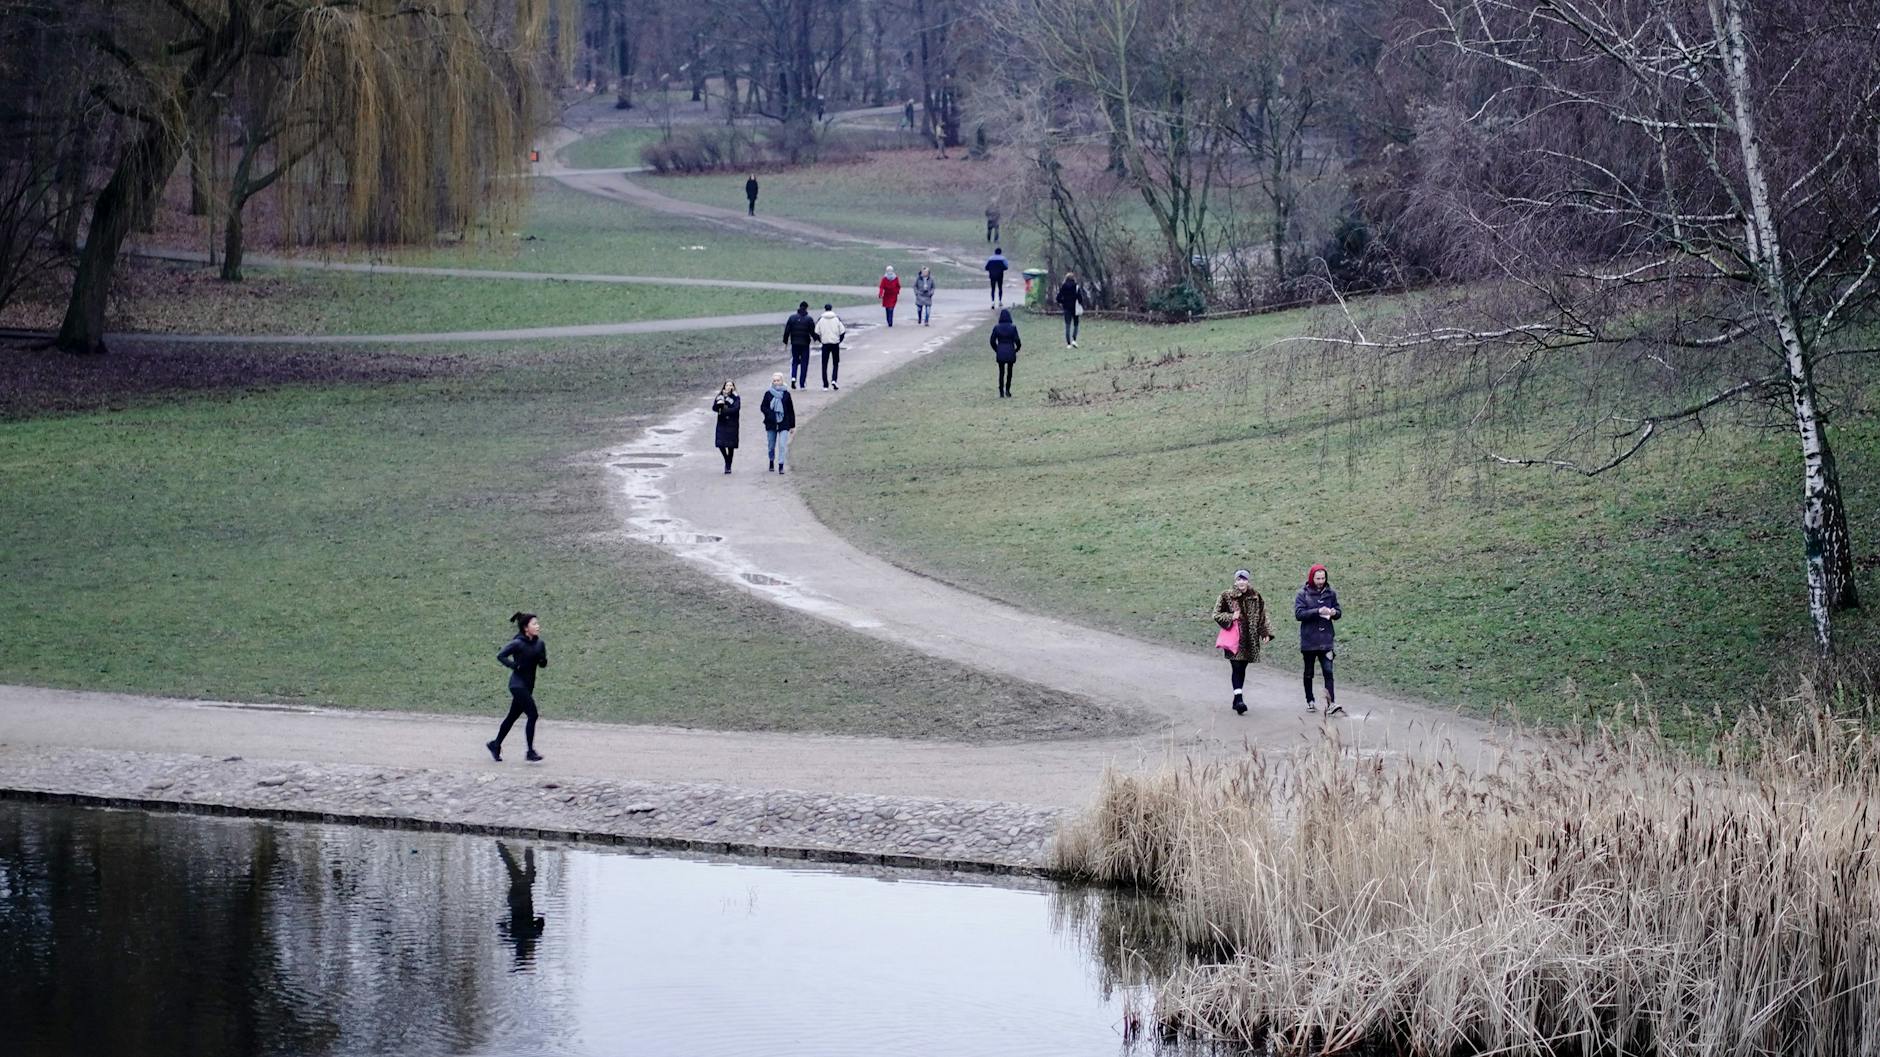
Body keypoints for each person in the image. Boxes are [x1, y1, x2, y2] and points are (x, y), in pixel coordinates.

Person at [487, 612, 547, 762]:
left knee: (512, 716)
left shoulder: (540, 644)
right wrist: (514, 666)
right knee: (533, 714)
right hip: (517, 685)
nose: (538, 626)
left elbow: (542, 664)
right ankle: (530, 752)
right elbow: (501, 656)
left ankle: (495, 744)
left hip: (528, 685)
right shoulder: (518, 643)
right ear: (526, 628)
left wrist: (542, 660)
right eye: (534, 624)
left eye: (537, 623)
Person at [1213, 570, 1275, 715]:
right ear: (1235, 581)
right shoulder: (1226, 596)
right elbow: (1216, 614)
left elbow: (1263, 615)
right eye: (1239, 579)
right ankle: (1239, 698)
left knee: (1242, 668)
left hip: (1250, 639)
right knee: (1236, 666)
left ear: (1248, 581)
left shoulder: (1256, 596)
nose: (1241, 582)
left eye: (1244, 579)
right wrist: (1230, 616)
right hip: (1234, 640)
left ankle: (1236, 699)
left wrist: (1265, 632)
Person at [1295, 564, 1343, 715]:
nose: (1321, 581)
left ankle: (1331, 703)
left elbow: (1339, 612)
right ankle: (1310, 701)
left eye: (1323, 578)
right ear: (1312, 578)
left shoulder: (1331, 593)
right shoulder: (1302, 594)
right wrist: (1317, 611)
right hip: (1309, 641)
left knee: (1328, 672)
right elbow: (1299, 614)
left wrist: (1334, 613)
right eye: (1318, 578)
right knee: (1309, 672)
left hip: (1326, 640)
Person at [497, 842, 547, 968]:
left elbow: (541, 921)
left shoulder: (532, 935)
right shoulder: (513, 938)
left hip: (524, 897)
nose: (533, 953)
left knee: (529, 875)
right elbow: (501, 925)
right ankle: (500, 845)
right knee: (512, 869)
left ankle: (528, 846)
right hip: (513, 899)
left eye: (531, 955)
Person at [759, 371, 796, 473]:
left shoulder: (786, 394)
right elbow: (763, 407)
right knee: (771, 445)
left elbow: (790, 410)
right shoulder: (768, 394)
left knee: (782, 445)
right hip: (771, 422)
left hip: (784, 422)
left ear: (782, 381)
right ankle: (771, 461)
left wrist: (792, 425)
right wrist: (770, 414)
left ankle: (781, 465)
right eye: (774, 381)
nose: (776, 382)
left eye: (778, 380)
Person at [782, 300, 816, 388]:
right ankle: (802, 383)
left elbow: (787, 331)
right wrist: (816, 339)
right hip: (805, 343)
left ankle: (793, 377)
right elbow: (812, 332)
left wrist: (785, 342)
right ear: (806, 308)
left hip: (794, 343)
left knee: (795, 361)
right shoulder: (809, 319)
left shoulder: (792, 318)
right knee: (804, 363)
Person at [990, 308, 1021, 397]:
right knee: (1009, 372)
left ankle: (1001, 392)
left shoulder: (997, 328)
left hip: (1000, 351)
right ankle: (1007, 390)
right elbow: (1017, 340)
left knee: (1001, 372)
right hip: (1010, 350)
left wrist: (997, 349)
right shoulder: (1013, 328)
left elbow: (992, 341)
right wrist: (1016, 349)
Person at [815, 303, 846, 389]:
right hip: (835, 343)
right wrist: (839, 340)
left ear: (825, 309)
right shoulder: (836, 319)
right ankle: (834, 380)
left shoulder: (821, 319)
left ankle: (825, 384)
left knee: (824, 364)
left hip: (825, 344)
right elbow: (842, 331)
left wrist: (821, 340)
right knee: (835, 363)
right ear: (831, 309)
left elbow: (816, 332)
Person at [712, 380, 740, 473]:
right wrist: (718, 405)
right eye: (727, 385)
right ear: (724, 387)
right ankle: (726, 460)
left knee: (730, 446)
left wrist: (724, 410)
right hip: (722, 423)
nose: (729, 387)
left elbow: (736, 408)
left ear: (733, 387)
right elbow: (714, 408)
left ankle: (728, 466)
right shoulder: (719, 396)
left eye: (731, 385)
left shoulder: (736, 397)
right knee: (720, 444)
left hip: (732, 424)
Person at [1057, 271, 1084, 347]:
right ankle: (1074, 340)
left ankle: (1068, 343)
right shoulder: (1076, 286)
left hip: (1066, 308)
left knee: (1067, 325)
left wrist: (1063, 302)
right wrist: (1079, 302)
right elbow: (1080, 298)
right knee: (1076, 324)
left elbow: (1058, 298)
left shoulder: (1063, 287)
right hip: (1075, 308)